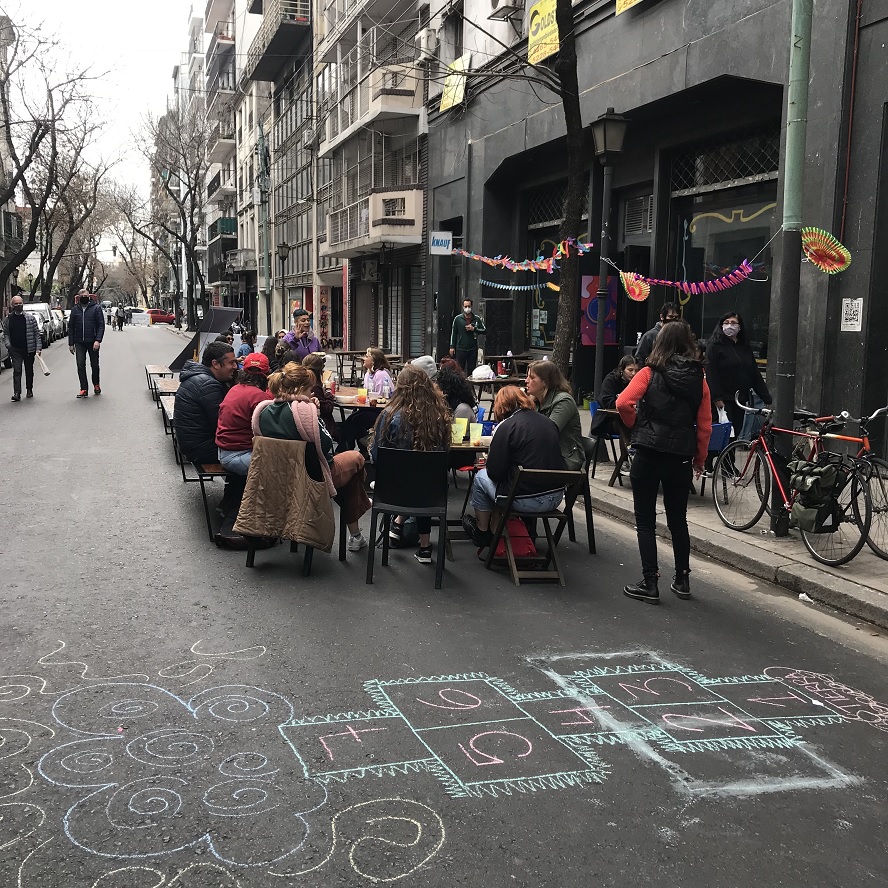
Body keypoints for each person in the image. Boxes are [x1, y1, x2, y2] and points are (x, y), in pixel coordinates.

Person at [617, 319, 712, 604]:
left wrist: (638, 427)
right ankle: (682, 578)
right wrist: (700, 458)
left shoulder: (648, 372)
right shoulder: (700, 379)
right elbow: (705, 424)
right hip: (680, 455)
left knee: (645, 521)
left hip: (648, 451)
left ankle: (650, 582)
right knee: (677, 520)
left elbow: (623, 402)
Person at [256, 363, 370, 552]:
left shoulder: (264, 412)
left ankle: (356, 532)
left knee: (350, 477)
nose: (312, 393)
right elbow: (325, 444)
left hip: (279, 478)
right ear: (301, 389)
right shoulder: (302, 412)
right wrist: (314, 414)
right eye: (310, 389)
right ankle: (356, 529)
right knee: (356, 459)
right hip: (311, 478)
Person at [462, 386, 566, 549]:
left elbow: (495, 473)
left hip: (525, 499)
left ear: (501, 406)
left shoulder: (506, 427)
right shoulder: (548, 422)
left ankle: (482, 532)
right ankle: (500, 528)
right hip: (555, 496)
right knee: (506, 484)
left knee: (481, 477)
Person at [369, 364, 452, 564]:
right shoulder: (440, 418)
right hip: (431, 493)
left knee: (410, 478)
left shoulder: (389, 415)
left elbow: (376, 455)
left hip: (392, 492)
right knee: (423, 477)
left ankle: (397, 524)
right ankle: (424, 548)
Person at [176, 341, 240, 520]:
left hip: (193, 442)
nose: (235, 366)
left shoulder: (202, 378)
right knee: (248, 457)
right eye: (231, 363)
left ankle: (229, 502)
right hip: (200, 448)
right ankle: (233, 508)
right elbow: (222, 424)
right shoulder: (207, 385)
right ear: (215, 364)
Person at [705, 311, 771, 436]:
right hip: (723, 399)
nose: (730, 326)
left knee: (737, 430)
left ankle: (730, 455)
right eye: (726, 322)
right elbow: (711, 373)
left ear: (740, 327)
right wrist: (717, 397)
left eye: (733, 323)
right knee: (724, 433)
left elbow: (754, 373)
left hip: (739, 399)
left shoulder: (744, 347)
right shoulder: (714, 346)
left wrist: (765, 396)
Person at [216, 353, 271, 475]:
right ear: (266, 375)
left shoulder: (236, 388)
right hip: (239, 455)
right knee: (284, 463)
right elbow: (270, 429)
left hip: (224, 452)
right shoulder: (259, 396)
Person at [525, 359, 583, 470]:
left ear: (544, 382)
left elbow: (548, 433)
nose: (526, 381)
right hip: (543, 457)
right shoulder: (535, 401)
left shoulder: (564, 401)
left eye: (532, 378)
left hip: (564, 460)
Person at [337, 347, 391, 454]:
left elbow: (381, 399)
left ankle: (352, 450)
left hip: (380, 411)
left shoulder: (381, 375)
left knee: (356, 421)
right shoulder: (368, 374)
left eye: (367, 356)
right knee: (350, 420)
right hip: (368, 408)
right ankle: (352, 449)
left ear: (374, 360)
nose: (363, 359)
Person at [2, 295, 41, 401]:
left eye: (20, 303)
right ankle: (17, 392)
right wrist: (8, 345)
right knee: (17, 370)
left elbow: (36, 334)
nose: (19, 305)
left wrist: (38, 348)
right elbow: (5, 333)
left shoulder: (30, 318)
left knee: (29, 370)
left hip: (29, 349)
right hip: (15, 349)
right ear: (12, 305)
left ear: (23, 303)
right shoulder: (8, 319)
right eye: (16, 304)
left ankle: (29, 389)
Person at [68, 290, 105, 398]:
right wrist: (71, 343)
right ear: (79, 297)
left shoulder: (96, 308)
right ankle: (83, 388)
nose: (84, 297)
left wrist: (98, 340)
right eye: (82, 296)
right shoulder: (75, 310)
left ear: (89, 297)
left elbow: (101, 325)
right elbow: (71, 327)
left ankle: (96, 384)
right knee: (80, 365)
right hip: (79, 342)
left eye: (86, 296)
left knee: (94, 365)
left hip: (93, 341)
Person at [590, 355, 638, 436]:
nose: (633, 373)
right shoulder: (610, 380)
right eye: (630, 370)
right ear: (622, 369)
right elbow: (606, 402)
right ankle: (627, 448)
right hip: (608, 420)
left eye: (636, 370)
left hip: (628, 417)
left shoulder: (637, 382)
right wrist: (622, 402)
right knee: (628, 427)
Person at [302, 351, 340, 444]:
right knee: (349, 427)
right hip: (321, 425)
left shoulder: (303, 381)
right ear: (320, 370)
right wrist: (328, 392)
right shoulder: (314, 385)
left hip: (308, 424)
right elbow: (326, 409)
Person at [449, 298, 485, 374]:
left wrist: (474, 329)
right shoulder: (458, 319)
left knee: (471, 369)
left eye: (469, 306)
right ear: (463, 307)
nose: (467, 308)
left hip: (472, 348)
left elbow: (484, 330)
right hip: (461, 348)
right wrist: (452, 346)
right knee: (459, 369)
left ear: (471, 306)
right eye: (465, 306)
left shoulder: (476, 319)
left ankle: (470, 385)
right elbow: (454, 333)